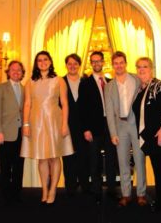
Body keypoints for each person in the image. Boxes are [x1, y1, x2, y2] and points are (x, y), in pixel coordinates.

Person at [20, 51, 74, 204]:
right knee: (42, 158)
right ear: (36, 64)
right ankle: (44, 189)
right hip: (36, 122)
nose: (43, 62)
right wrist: (26, 124)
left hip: (54, 121)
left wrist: (64, 124)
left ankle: (53, 190)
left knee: (54, 157)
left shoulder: (59, 81)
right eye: (39, 60)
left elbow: (64, 104)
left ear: (50, 62)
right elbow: (27, 104)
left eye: (45, 60)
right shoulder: (30, 82)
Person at [132, 57, 161, 211]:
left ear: (151, 69)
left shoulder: (159, 87)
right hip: (153, 140)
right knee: (159, 173)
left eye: (145, 67)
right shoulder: (143, 89)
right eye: (139, 67)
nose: (141, 70)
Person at [104, 51, 147, 207]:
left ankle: (141, 194)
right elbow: (109, 112)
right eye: (116, 63)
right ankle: (126, 194)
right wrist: (113, 133)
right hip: (120, 126)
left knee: (139, 159)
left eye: (121, 62)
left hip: (136, 124)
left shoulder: (137, 80)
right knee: (122, 162)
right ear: (113, 65)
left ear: (126, 63)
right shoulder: (108, 87)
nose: (119, 65)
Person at [78, 51, 118, 204]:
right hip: (93, 127)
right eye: (93, 61)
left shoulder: (109, 81)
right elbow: (82, 108)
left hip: (110, 126)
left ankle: (112, 190)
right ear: (90, 63)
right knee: (94, 160)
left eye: (99, 61)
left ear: (103, 62)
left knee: (111, 159)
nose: (96, 64)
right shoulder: (85, 83)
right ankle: (96, 191)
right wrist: (85, 129)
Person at [0, 60, 25, 204]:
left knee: (19, 167)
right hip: (5, 134)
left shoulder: (25, 89)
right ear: (8, 72)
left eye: (19, 70)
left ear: (22, 73)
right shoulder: (0, 88)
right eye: (13, 70)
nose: (16, 72)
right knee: (6, 167)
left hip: (21, 134)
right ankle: (6, 197)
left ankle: (16, 195)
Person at [62, 53, 90, 196]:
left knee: (84, 157)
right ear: (66, 65)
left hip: (84, 127)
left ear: (79, 65)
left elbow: (91, 106)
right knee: (68, 158)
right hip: (66, 126)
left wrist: (89, 128)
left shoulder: (86, 81)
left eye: (75, 63)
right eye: (69, 63)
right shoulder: (59, 82)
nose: (72, 66)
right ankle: (70, 188)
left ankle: (85, 186)